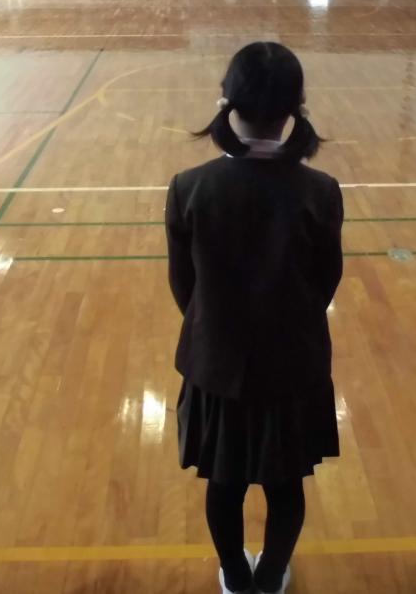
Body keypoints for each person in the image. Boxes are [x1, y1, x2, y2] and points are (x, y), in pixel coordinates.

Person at [167, 42, 343, 594]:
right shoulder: (321, 192)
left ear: (226, 100)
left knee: (224, 482)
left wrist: (219, 326)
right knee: (286, 484)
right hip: (293, 366)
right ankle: (270, 578)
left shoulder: (190, 187)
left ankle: (236, 577)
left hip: (217, 366)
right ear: (296, 107)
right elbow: (325, 283)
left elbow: (185, 288)